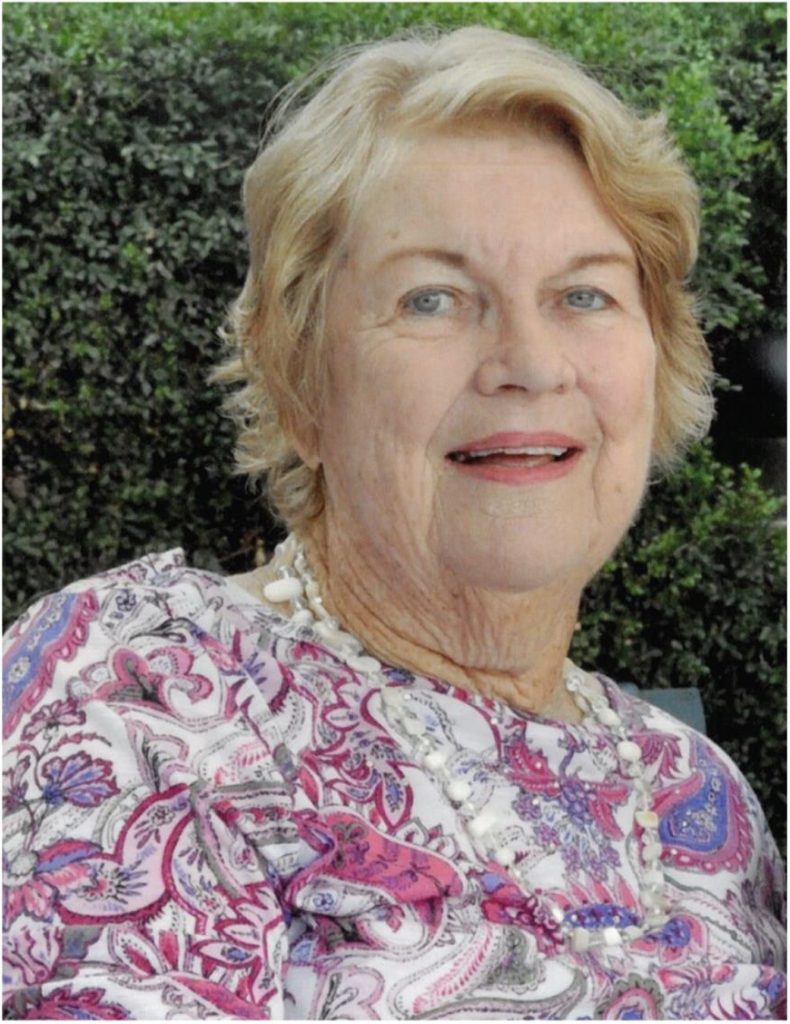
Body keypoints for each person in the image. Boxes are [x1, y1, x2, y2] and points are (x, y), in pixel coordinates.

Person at [3, 26, 785, 1020]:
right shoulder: (145, 696)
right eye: (433, 298)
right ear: (299, 378)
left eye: (584, 293)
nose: (529, 362)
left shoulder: (693, 792)